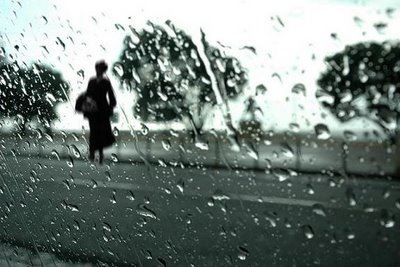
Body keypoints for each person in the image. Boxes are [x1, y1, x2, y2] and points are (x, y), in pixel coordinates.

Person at [85, 60, 117, 164]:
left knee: (102, 132)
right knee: (93, 131)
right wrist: (86, 108)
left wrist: (111, 107)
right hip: (93, 110)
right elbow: (88, 95)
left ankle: (101, 154)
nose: (98, 70)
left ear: (103, 70)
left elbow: (111, 95)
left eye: (100, 68)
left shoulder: (106, 82)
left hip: (103, 110)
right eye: (97, 68)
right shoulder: (92, 81)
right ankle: (92, 152)